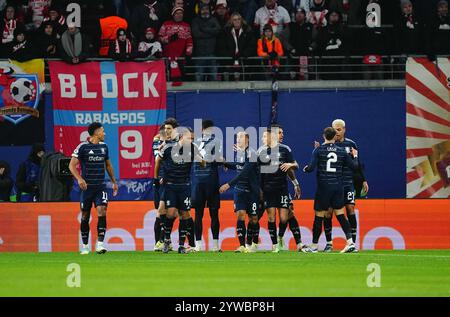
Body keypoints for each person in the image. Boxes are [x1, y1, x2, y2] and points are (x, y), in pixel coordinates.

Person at [303, 127, 358, 253]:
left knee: (319, 216)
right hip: (338, 187)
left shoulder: (318, 150)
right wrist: (354, 156)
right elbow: (354, 167)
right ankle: (350, 242)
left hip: (324, 188)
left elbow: (311, 168)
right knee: (340, 215)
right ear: (334, 137)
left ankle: (314, 246)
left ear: (323, 136)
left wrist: (305, 169)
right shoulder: (342, 151)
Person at [69, 122, 119, 255]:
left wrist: (114, 182)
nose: (105, 133)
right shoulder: (82, 147)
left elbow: (108, 165)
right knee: (85, 215)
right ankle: (85, 246)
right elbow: (71, 165)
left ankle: (100, 244)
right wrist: (79, 179)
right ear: (96, 132)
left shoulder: (104, 147)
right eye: (103, 131)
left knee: (102, 211)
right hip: (87, 188)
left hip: (100, 187)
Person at [320, 119, 368, 252]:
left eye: (339, 130)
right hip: (333, 183)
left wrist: (363, 180)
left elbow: (357, 164)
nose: (336, 132)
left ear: (344, 129)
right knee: (328, 212)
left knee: (350, 209)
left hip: (347, 182)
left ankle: (352, 243)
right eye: (334, 130)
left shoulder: (351, 144)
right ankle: (329, 243)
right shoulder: (328, 145)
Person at [157, 126, 203, 254]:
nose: (192, 140)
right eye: (190, 138)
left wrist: (201, 159)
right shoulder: (169, 148)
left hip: (185, 186)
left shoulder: (193, 149)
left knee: (184, 214)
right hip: (171, 186)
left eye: (193, 138)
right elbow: (158, 160)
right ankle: (166, 240)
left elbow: (202, 162)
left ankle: (182, 245)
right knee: (170, 213)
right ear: (182, 137)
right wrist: (158, 178)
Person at [219, 132, 260, 253]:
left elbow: (245, 172)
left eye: (241, 137)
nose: (238, 139)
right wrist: (225, 163)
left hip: (252, 191)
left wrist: (228, 184)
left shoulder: (252, 153)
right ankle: (242, 246)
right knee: (240, 215)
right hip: (240, 191)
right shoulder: (240, 153)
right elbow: (239, 166)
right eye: (237, 137)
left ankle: (254, 243)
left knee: (254, 218)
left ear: (247, 139)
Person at [192, 119, 222, 252]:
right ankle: (198, 244)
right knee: (198, 214)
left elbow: (218, 158)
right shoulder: (194, 143)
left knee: (214, 214)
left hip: (210, 182)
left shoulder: (214, 142)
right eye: (208, 129)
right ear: (203, 130)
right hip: (200, 182)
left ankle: (215, 245)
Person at [153, 118, 179, 252]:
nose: (167, 131)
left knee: (174, 213)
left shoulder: (178, 143)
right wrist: (157, 178)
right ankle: (160, 241)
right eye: (166, 129)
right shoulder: (159, 143)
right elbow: (158, 160)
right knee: (161, 210)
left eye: (170, 129)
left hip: (176, 181)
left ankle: (164, 240)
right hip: (164, 180)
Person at [216, 12, 256, 81]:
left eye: (239, 19)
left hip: (243, 61)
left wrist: (242, 54)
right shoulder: (225, 32)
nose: (237, 21)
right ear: (231, 21)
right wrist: (231, 56)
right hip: (229, 61)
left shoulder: (248, 31)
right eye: (234, 19)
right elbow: (221, 47)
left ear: (241, 20)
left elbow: (252, 46)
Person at [158, 7, 193, 83]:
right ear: (173, 14)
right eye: (177, 13)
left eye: (181, 13)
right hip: (168, 57)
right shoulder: (166, 24)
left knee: (181, 77)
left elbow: (189, 40)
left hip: (181, 57)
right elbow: (159, 39)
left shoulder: (186, 26)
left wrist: (188, 52)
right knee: (168, 76)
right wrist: (169, 38)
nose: (179, 15)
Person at [280, 8, 313, 79]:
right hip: (293, 56)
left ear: (304, 15)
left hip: (307, 55)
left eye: (301, 13)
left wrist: (312, 47)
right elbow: (282, 37)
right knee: (290, 76)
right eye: (297, 13)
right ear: (294, 16)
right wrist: (290, 48)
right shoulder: (290, 26)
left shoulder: (310, 26)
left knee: (309, 76)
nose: (299, 15)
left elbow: (317, 38)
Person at [191, 3, 221, 81]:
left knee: (214, 79)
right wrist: (211, 33)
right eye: (203, 9)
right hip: (199, 55)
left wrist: (204, 29)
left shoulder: (214, 19)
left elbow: (218, 31)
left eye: (207, 9)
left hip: (213, 54)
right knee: (199, 79)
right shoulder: (195, 20)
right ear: (200, 10)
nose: (205, 11)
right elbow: (196, 34)